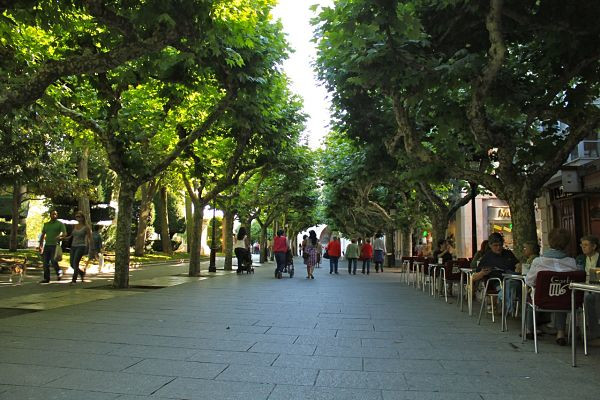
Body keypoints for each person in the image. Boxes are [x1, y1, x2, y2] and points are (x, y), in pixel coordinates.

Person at [525, 228, 579, 345]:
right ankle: (560, 333)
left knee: (530, 295)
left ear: (549, 242)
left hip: (541, 300)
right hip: (565, 300)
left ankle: (529, 329)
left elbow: (529, 281)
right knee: (561, 294)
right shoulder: (571, 262)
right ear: (567, 243)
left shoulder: (539, 261)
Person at [576, 235, 600, 344]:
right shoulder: (580, 259)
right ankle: (584, 330)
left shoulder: (599, 258)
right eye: (582, 245)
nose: (583, 247)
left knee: (591, 298)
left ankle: (595, 333)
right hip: (583, 287)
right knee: (585, 297)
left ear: (594, 246)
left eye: (586, 245)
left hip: (597, 288)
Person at [38, 209, 67, 283]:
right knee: (45, 263)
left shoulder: (60, 224)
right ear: (50, 215)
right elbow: (43, 235)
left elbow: (64, 234)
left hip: (55, 246)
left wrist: (60, 237)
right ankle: (46, 278)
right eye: (53, 214)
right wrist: (40, 245)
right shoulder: (46, 224)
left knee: (53, 261)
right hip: (47, 245)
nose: (54, 215)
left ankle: (59, 272)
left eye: (56, 214)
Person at [63, 211, 92, 284]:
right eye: (76, 217)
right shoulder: (74, 226)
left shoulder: (86, 227)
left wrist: (90, 248)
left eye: (79, 216)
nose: (77, 218)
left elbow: (90, 238)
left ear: (82, 218)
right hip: (73, 246)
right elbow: (72, 236)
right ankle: (81, 273)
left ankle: (74, 280)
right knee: (71, 264)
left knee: (75, 262)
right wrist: (64, 238)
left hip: (81, 246)